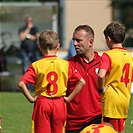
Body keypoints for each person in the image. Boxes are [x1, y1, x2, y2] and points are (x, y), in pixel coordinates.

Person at [18, 30, 85, 133]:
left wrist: (31, 99)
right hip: (59, 103)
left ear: (40, 47)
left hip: (43, 102)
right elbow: (81, 81)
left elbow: (21, 83)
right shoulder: (65, 64)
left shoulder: (36, 65)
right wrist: (69, 98)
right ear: (58, 46)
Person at [98, 21, 133, 133]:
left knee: (108, 129)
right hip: (125, 99)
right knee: (120, 129)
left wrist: (101, 89)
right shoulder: (129, 57)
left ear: (109, 39)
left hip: (111, 100)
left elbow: (101, 75)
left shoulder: (108, 55)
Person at [66, 25, 102, 133]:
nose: (75, 44)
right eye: (74, 40)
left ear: (90, 42)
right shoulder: (68, 65)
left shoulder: (103, 64)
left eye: (78, 40)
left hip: (97, 122)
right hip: (73, 125)